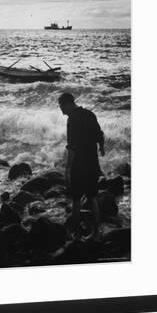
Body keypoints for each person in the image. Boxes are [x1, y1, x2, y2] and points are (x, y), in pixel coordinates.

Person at [58, 92, 105, 239]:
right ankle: (96, 232)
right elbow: (100, 134)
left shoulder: (72, 120)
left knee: (77, 200)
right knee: (92, 197)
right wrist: (102, 148)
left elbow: (72, 147)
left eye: (61, 106)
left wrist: (67, 168)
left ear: (68, 103)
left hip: (79, 166)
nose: (61, 110)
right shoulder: (90, 114)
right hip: (92, 164)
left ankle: (77, 234)